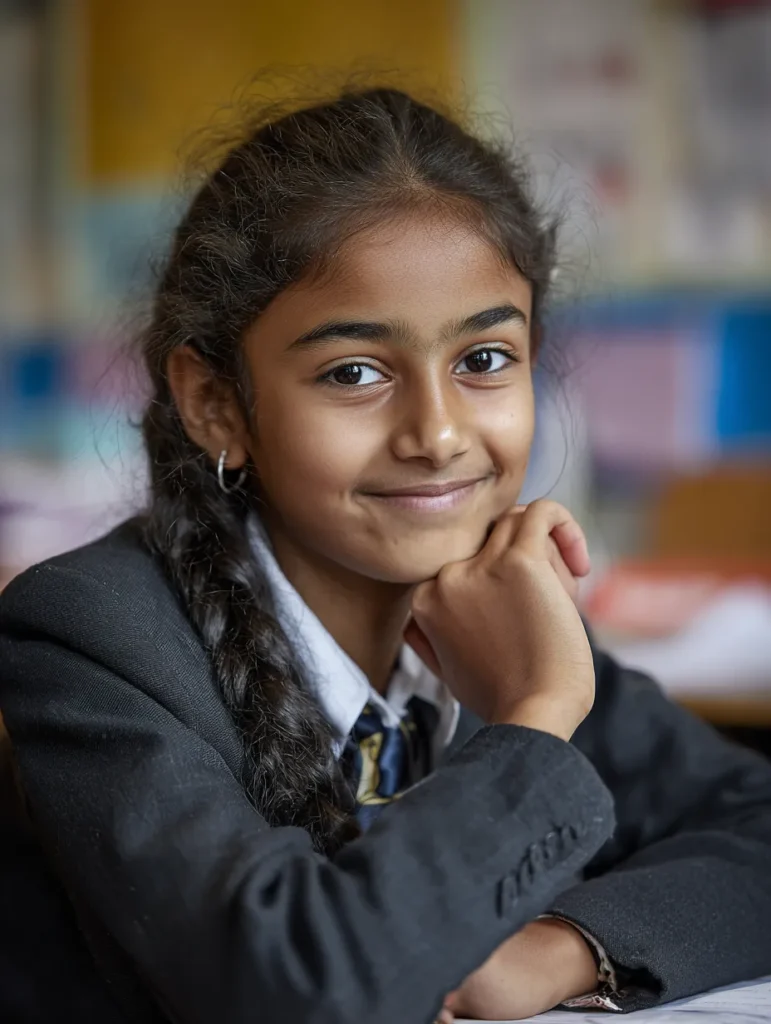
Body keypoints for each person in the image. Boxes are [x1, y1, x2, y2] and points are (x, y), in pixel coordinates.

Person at [1, 87, 770, 1024]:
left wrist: (565, 947)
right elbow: (296, 987)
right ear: (216, 404)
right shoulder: (92, 639)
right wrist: (535, 715)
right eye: (353, 373)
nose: (439, 434)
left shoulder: (488, 613)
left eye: (484, 359)